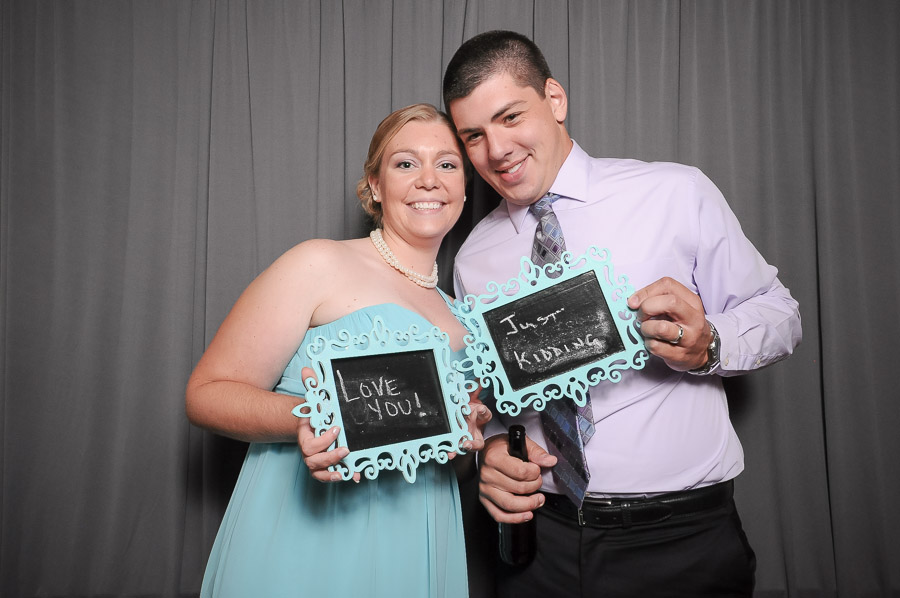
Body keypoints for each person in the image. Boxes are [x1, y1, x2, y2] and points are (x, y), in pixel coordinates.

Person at [442, 30, 802, 597]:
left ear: (554, 100)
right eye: (474, 136)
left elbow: (780, 314)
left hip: (680, 540)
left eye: (511, 117)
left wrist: (711, 345)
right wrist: (491, 449)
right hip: (542, 545)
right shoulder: (472, 259)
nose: (497, 149)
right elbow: (493, 395)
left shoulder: (674, 192)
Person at [185, 103, 491, 598]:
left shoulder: (466, 315)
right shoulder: (318, 263)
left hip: (420, 531)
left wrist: (464, 439)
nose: (429, 179)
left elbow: (448, 460)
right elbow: (206, 394)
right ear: (374, 184)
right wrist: (309, 420)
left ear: (464, 185)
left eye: (448, 163)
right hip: (313, 529)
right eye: (406, 163)